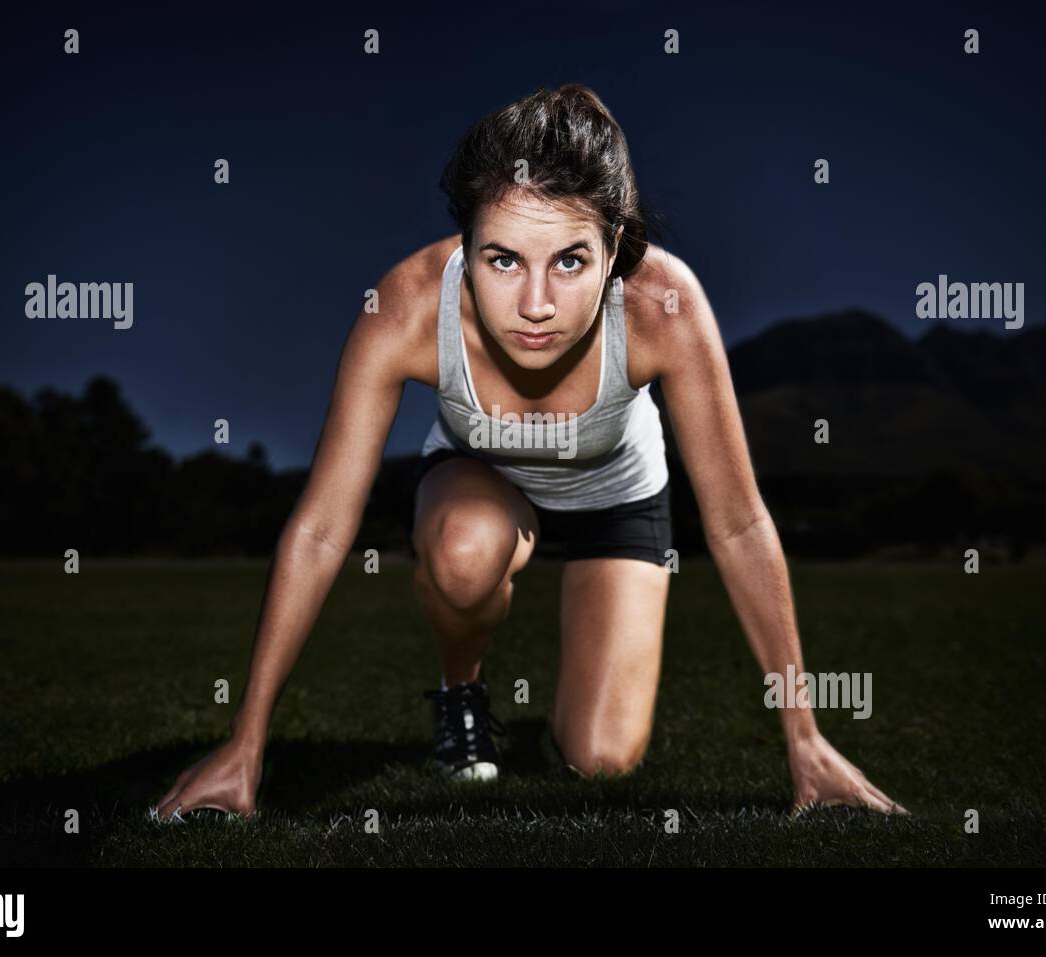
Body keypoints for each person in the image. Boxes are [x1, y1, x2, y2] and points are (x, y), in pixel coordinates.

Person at [154, 83, 906, 822]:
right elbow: (320, 527)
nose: (536, 305)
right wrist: (246, 741)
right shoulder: (410, 306)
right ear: (466, 244)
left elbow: (739, 523)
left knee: (601, 757)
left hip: (620, 498)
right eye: (503, 259)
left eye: (570, 261)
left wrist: (804, 738)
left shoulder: (663, 307)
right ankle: (462, 693)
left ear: (615, 248)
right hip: (484, 483)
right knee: (464, 549)